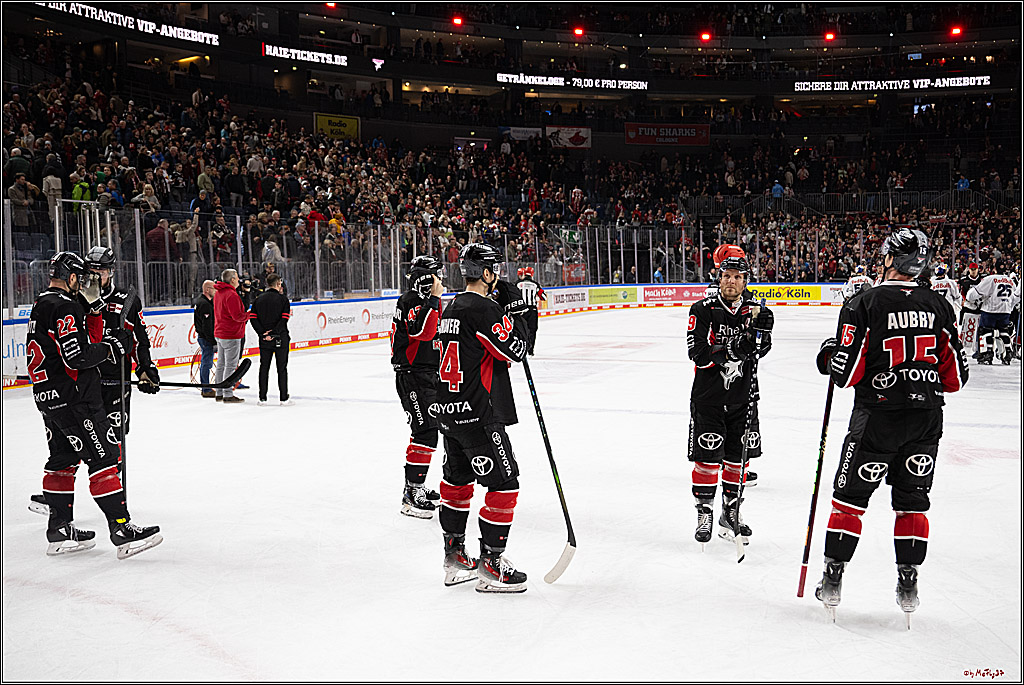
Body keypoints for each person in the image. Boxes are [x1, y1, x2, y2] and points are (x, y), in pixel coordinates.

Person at [813, 228, 968, 624]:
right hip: (926, 422)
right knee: (912, 503)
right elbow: (957, 378)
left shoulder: (864, 303)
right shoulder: (939, 305)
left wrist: (829, 355)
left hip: (876, 421)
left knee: (849, 501)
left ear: (888, 258)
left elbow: (845, 373)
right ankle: (908, 582)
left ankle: (833, 578)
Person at [26, 251, 162, 558]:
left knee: (63, 459)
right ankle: (122, 530)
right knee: (104, 457)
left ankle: (59, 530)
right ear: (73, 277)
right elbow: (77, 356)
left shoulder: (40, 303)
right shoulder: (66, 306)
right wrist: (109, 347)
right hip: (76, 399)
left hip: (47, 396)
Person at [435, 244, 532, 592]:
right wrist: (521, 310)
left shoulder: (451, 307)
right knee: (504, 482)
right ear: (487, 273)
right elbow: (518, 349)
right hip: (479, 414)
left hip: (450, 412)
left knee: (458, 484)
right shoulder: (484, 309)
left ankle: (455, 557)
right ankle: (491, 564)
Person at [686, 255, 774, 548]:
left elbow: (760, 351)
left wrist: (764, 333)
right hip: (709, 397)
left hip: (744, 396)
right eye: (727, 276)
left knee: (739, 459)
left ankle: (730, 513)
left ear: (745, 281)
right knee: (708, 458)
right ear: (719, 277)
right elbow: (697, 354)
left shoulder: (755, 310)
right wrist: (735, 347)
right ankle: (705, 512)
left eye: (738, 276)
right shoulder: (702, 309)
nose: (732, 281)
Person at [390, 255, 445, 518]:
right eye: (436, 275)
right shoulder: (413, 300)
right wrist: (434, 299)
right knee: (425, 432)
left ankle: (414, 486)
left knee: (425, 431)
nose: (440, 280)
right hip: (413, 375)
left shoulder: (422, 300)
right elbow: (421, 332)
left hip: (426, 374)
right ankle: (412, 494)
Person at [250, 273, 293, 405]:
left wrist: (263, 333)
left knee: (264, 367)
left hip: (264, 339)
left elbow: (253, 318)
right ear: (278, 284)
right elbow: (284, 319)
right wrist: (274, 333)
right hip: (280, 338)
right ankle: (283, 398)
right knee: (282, 368)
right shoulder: (283, 300)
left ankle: (262, 397)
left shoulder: (258, 299)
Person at [966, 269, 1017, 365]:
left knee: (986, 331)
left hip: (990, 309)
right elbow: (1015, 297)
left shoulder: (990, 279)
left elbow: (974, 294)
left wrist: (971, 299)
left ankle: (988, 353)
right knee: (1004, 331)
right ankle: (1008, 353)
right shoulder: (1010, 280)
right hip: (1005, 310)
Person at [213, 268, 249, 403]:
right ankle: (227, 393)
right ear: (232, 280)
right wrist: (249, 315)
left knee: (221, 364)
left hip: (220, 333)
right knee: (230, 365)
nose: (239, 280)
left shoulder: (219, 293)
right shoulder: (231, 295)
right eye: (237, 277)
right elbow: (237, 316)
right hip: (231, 334)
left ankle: (219, 391)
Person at [194, 280, 217, 398]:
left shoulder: (205, 302)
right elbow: (207, 326)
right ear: (207, 290)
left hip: (205, 337)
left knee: (207, 362)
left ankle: (206, 387)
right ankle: (206, 388)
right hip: (206, 338)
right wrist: (213, 341)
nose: (215, 291)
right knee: (206, 363)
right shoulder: (204, 304)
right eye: (214, 289)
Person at [515, 266, 546, 355]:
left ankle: (520, 349)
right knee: (532, 330)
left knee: (520, 330)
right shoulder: (535, 284)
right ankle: (530, 350)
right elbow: (543, 297)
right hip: (532, 310)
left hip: (521, 310)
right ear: (532, 274)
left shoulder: (518, 284)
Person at [958, 262, 983, 358]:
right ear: (969, 270)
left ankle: (978, 348)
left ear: (978, 269)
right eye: (971, 270)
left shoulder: (982, 280)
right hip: (968, 307)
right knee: (967, 329)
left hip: (980, 308)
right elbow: (960, 293)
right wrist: (964, 300)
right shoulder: (964, 280)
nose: (973, 271)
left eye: (975, 269)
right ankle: (964, 348)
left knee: (980, 330)